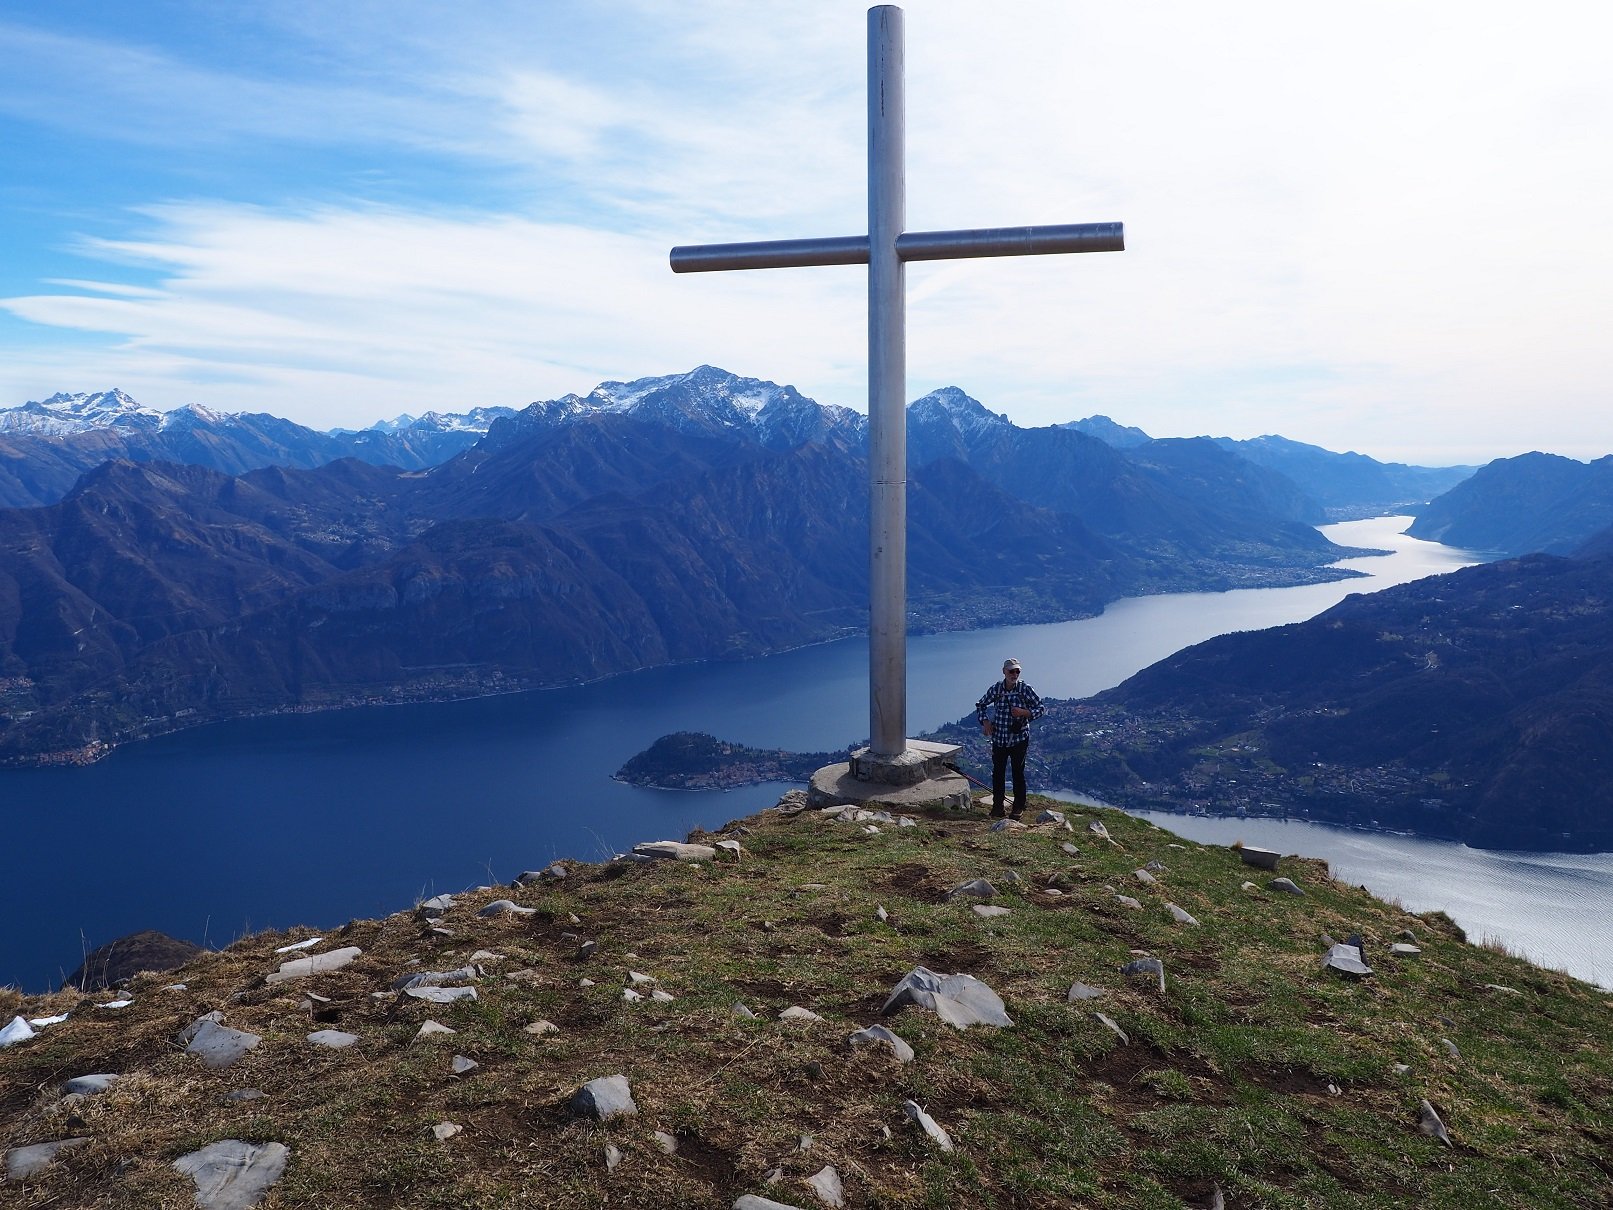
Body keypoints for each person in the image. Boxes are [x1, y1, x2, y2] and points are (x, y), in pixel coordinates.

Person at [974, 657, 1044, 819]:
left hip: (1019, 738)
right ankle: (997, 807)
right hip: (999, 739)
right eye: (1011, 671)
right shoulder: (997, 689)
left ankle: (1018, 807)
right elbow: (981, 704)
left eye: (1017, 671)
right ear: (1004, 672)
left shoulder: (1025, 689)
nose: (1014, 674)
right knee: (998, 773)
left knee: (1017, 773)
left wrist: (1024, 713)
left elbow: (1040, 708)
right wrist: (985, 722)